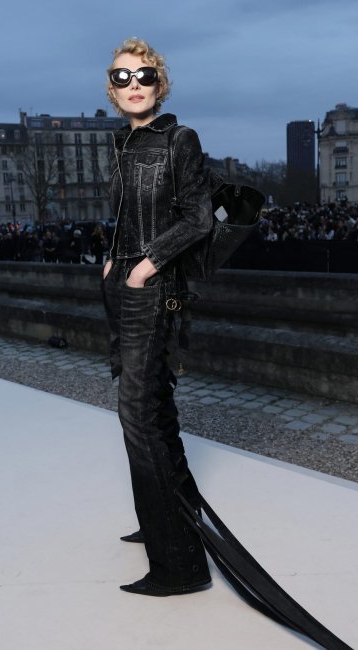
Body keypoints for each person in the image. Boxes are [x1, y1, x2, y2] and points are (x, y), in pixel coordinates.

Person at [102, 37, 213, 596]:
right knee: (154, 411)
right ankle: (164, 519)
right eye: (122, 77)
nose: (134, 85)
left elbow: (199, 218)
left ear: (160, 83)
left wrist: (144, 267)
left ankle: (180, 567)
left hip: (152, 287)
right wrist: (111, 259)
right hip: (122, 285)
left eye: (144, 75)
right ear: (111, 89)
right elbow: (128, 213)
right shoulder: (122, 143)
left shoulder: (179, 139)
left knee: (138, 415)